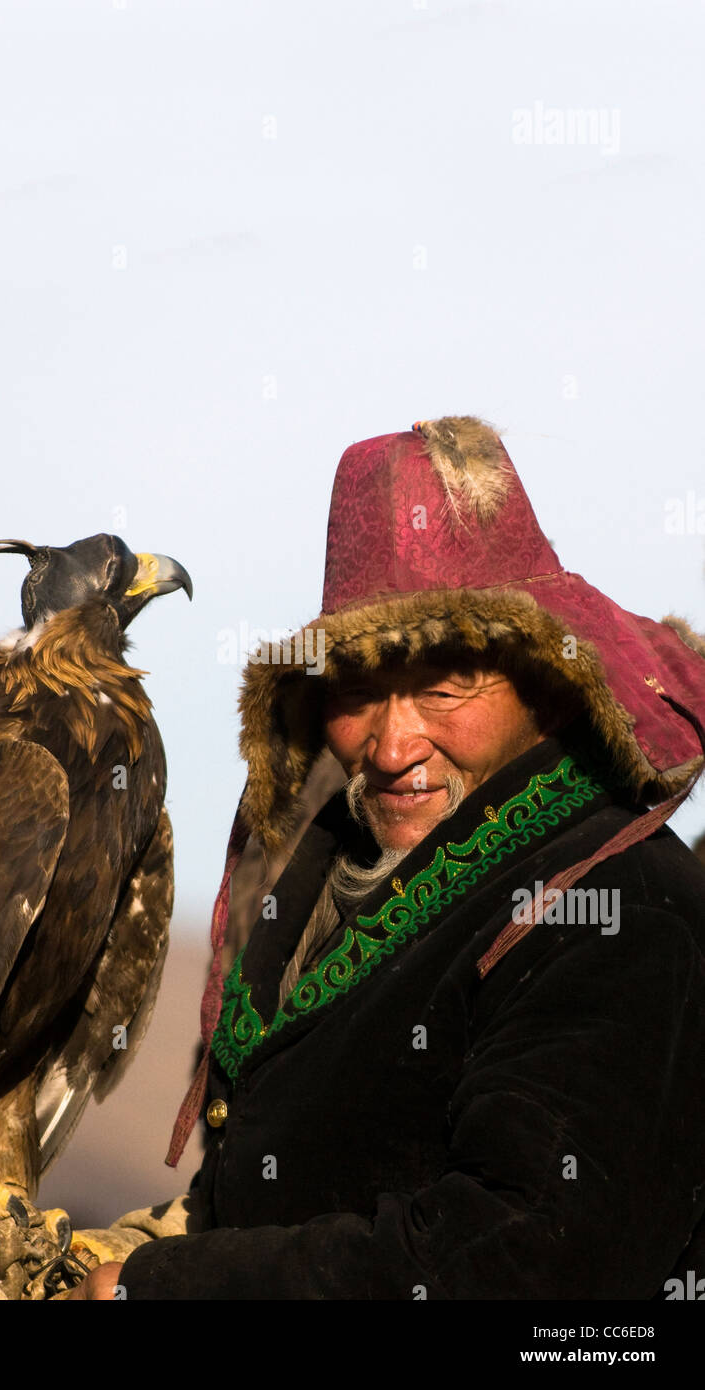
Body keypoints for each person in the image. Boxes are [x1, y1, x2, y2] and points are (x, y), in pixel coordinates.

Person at [72, 414, 705, 1300]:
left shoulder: (623, 907)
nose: (394, 744)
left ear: (546, 682)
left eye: (447, 688)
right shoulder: (327, 879)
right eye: (359, 691)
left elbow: (528, 1264)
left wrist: (170, 1288)